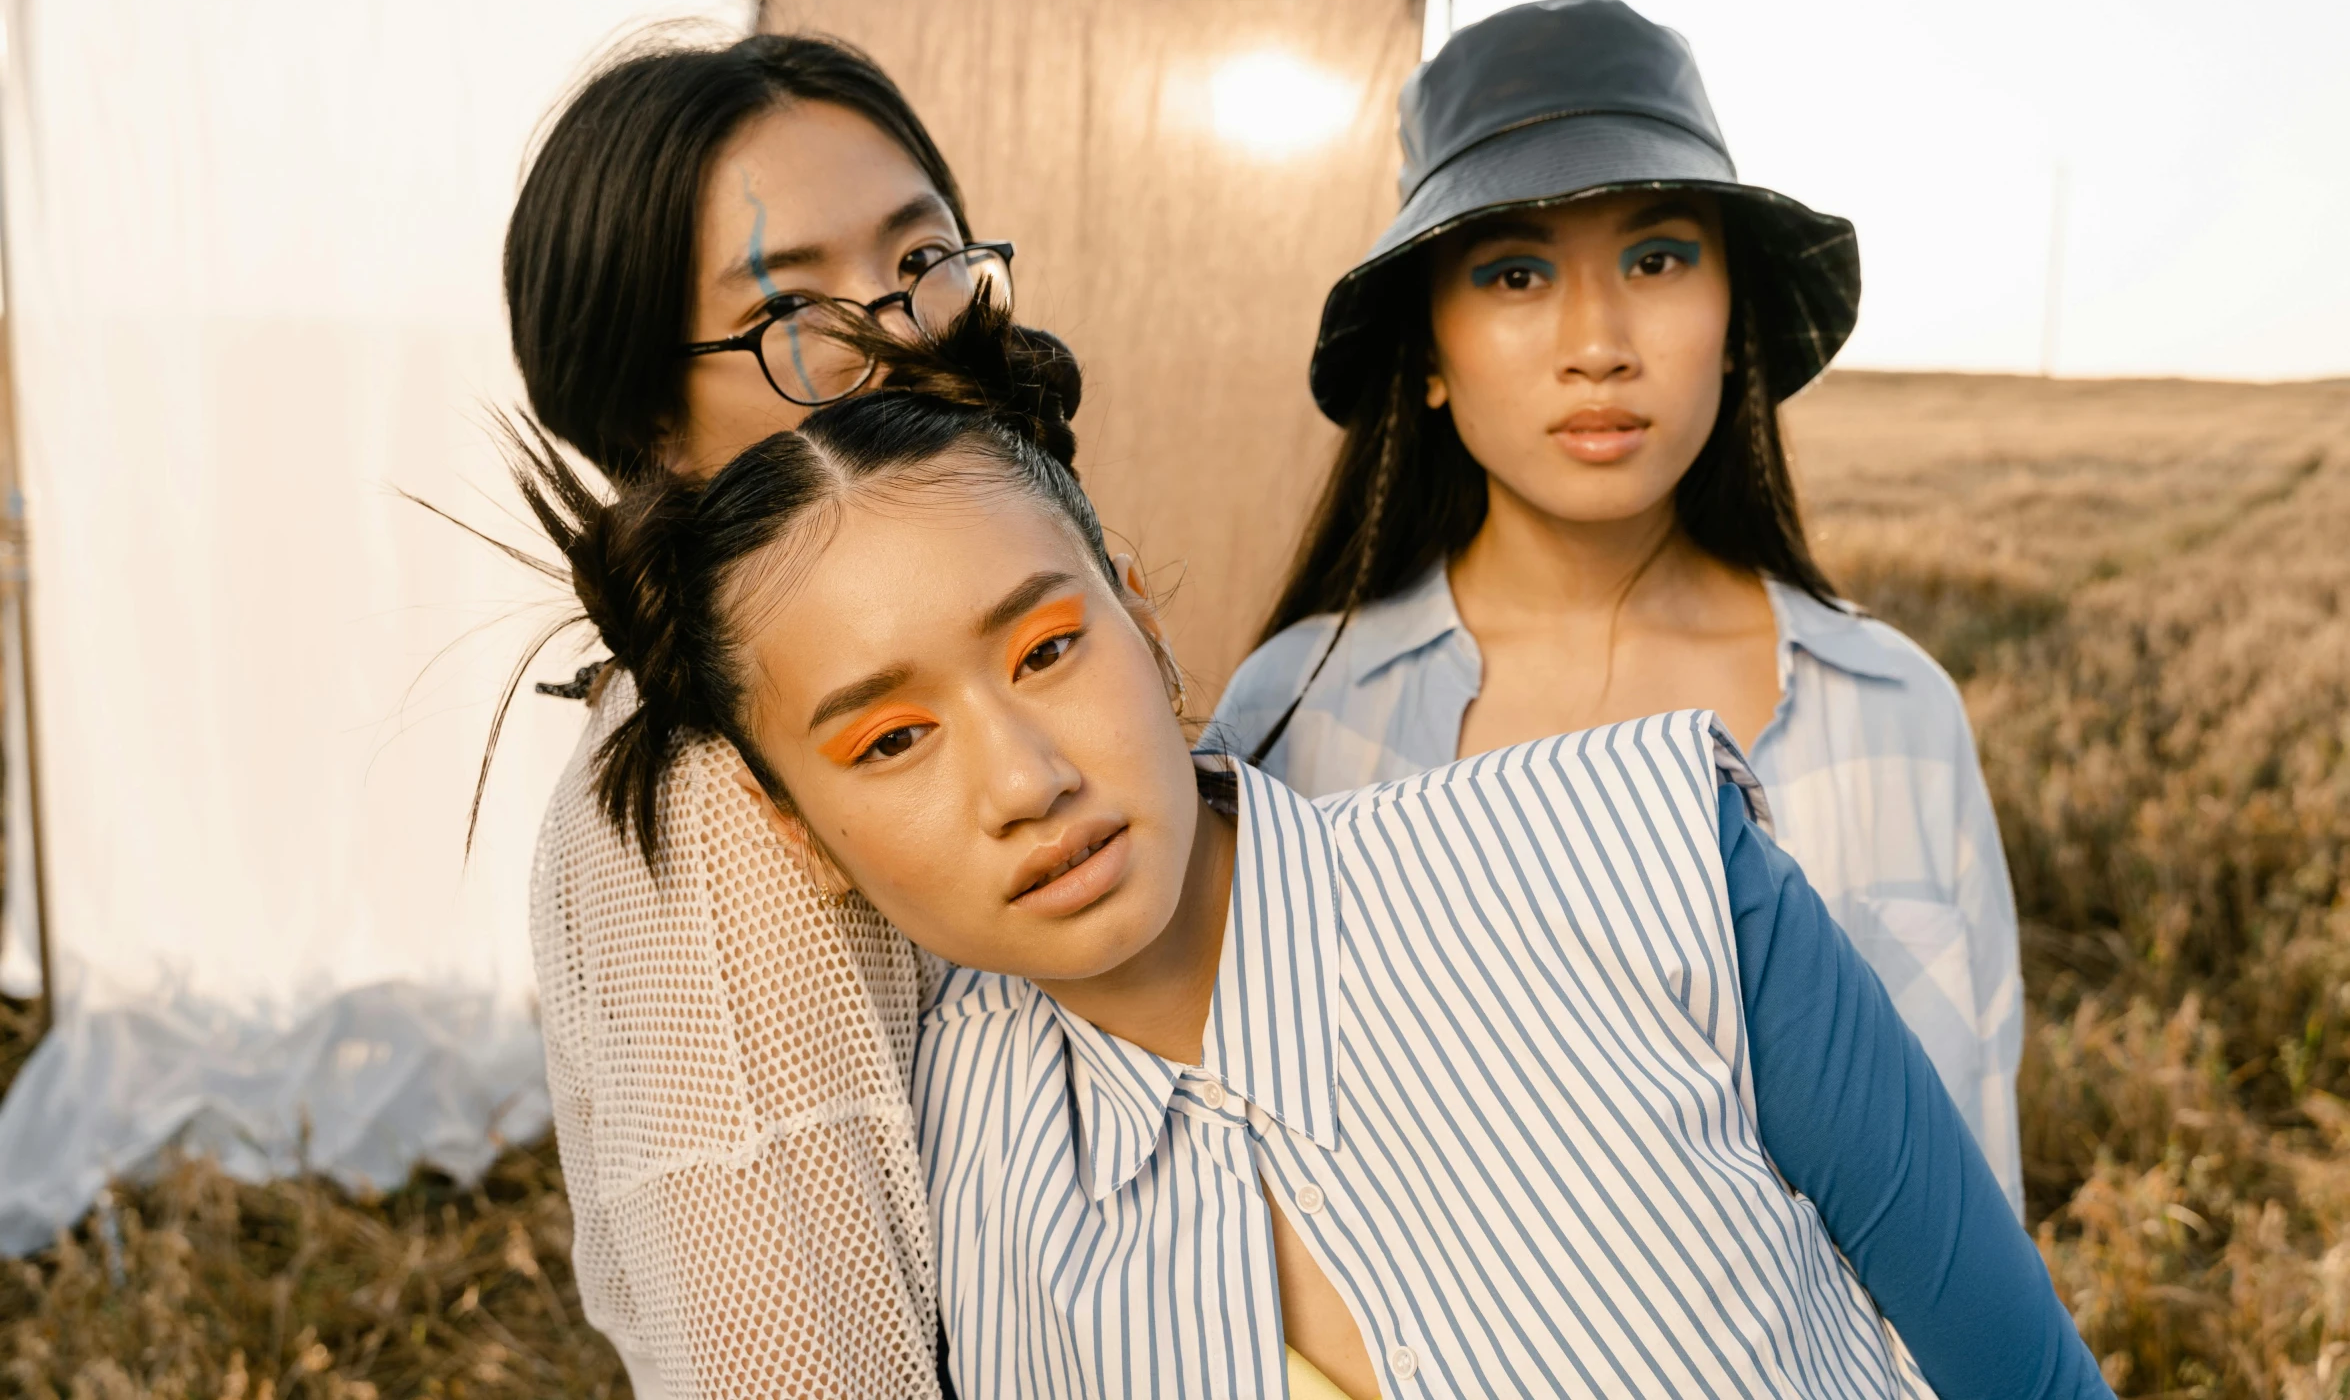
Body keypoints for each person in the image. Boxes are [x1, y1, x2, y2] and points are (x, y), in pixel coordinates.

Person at [503, 304, 2110, 1400]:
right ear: (800, 830)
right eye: (887, 739)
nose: (1024, 775)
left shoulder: (1640, 855)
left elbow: (2015, 1369)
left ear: (1144, 617)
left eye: (1048, 647)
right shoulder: (934, 1175)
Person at [1211, 0, 2026, 1212]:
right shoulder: (1295, 714)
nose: (1598, 342)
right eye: (1514, 271)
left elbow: (1975, 1180)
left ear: (1733, 320)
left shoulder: (1894, 708)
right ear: (1427, 354)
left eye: (1655, 259)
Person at [502, 31, 1014, 1399]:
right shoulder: (718, 796)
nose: (905, 334)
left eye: (921, 261)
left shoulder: (942, 663)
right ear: (649, 419)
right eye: (792, 308)